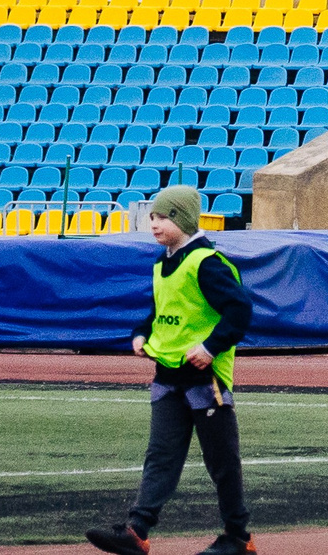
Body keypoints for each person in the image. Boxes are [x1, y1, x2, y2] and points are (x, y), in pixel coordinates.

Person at [87, 186, 257, 555]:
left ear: (182, 219)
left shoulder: (207, 262)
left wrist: (211, 348)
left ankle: (238, 537)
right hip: (168, 376)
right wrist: (142, 332)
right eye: (152, 217)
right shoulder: (163, 263)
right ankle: (137, 531)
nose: (154, 224)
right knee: (160, 456)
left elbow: (240, 311)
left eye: (163, 217)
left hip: (204, 380)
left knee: (222, 462)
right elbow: (161, 311)